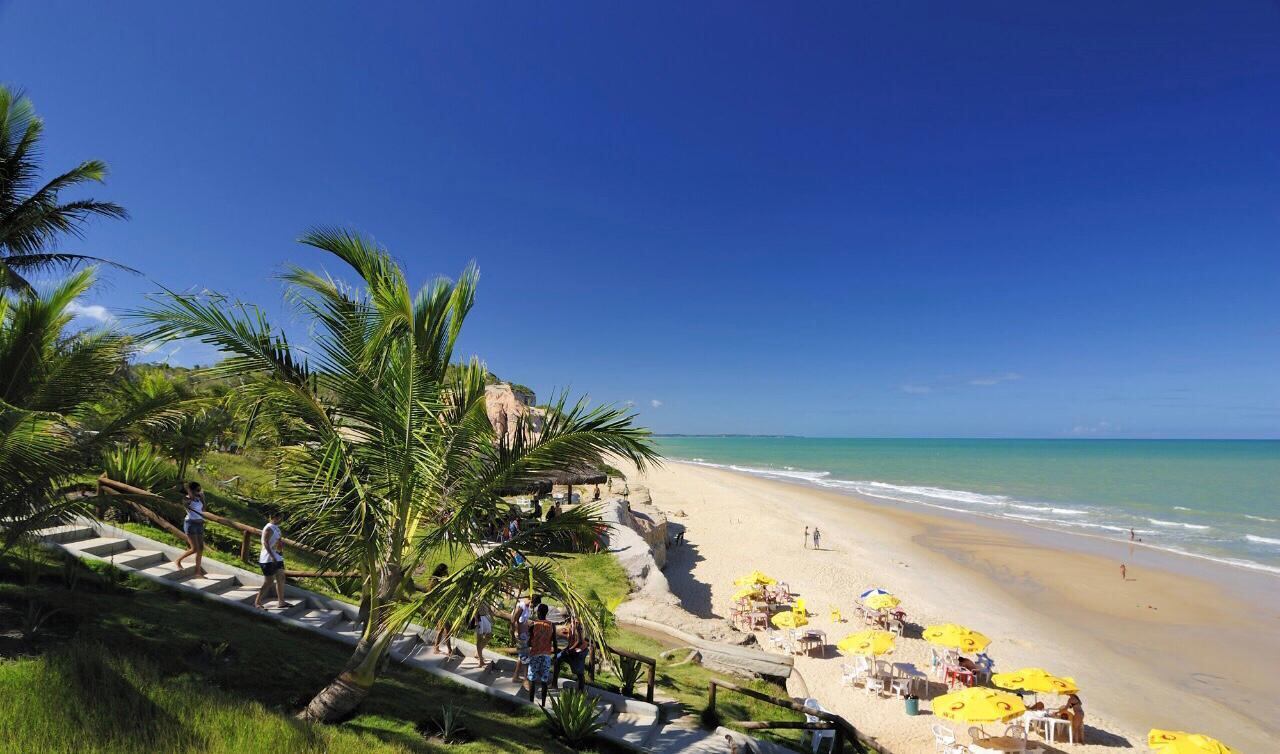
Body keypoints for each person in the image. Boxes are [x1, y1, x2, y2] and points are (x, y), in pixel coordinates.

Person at [254, 509, 291, 609]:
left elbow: (277, 542)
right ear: (274, 517)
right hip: (268, 559)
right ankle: (257, 602)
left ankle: (281, 602)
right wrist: (272, 556)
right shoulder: (268, 528)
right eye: (280, 517)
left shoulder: (277, 528)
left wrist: (280, 548)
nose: (281, 519)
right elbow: (265, 543)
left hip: (277, 557)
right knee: (269, 581)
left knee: (281, 578)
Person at [526, 602, 557, 706]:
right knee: (544, 680)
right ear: (547, 613)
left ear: (538, 612)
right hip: (547, 655)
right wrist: (555, 656)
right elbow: (555, 643)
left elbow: (528, 642)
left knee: (532, 678)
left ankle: (531, 702)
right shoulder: (552, 625)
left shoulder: (533, 625)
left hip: (535, 654)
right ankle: (543, 704)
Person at [175, 482, 208, 577]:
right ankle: (178, 560)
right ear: (191, 490)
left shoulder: (199, 499)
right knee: (194, 549)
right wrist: (191, 494)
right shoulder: (186, 499)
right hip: (191, 524)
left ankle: (198, 571)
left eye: (199, 490)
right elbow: (187, 506)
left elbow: (203, 510)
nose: (198, 492)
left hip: (200, 524)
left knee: (201, 548)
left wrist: (203, 498)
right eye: (197, 490)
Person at [555, 611, 589, 691]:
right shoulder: (571, 624)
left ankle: (580, 691)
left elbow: (579, 641)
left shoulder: (577, 625)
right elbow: (572, 640)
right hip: (572, 650)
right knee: (558, 659)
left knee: (579, 672)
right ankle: (554, 683)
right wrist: (568, 648)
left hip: (579, 651)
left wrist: (569, 649)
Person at [430, 563, 453, 654]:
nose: (447, 572)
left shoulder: (437, 580)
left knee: (442, 629)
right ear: (442, 571)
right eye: (445, 570)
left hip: (442, 607)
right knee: (446, 629)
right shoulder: (436, 581)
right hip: (441, 607)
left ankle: (437, 647)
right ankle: (449, 649)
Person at [472, 600, 494, 669]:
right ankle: (481, 660)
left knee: (489, 636)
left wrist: (492, 618)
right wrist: (476, 621)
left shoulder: (485, 596)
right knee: (479, 639)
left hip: (487, 617)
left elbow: (489, 609)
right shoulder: (476, 597)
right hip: (480, 618)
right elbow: (474, 609)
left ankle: (478, 653)